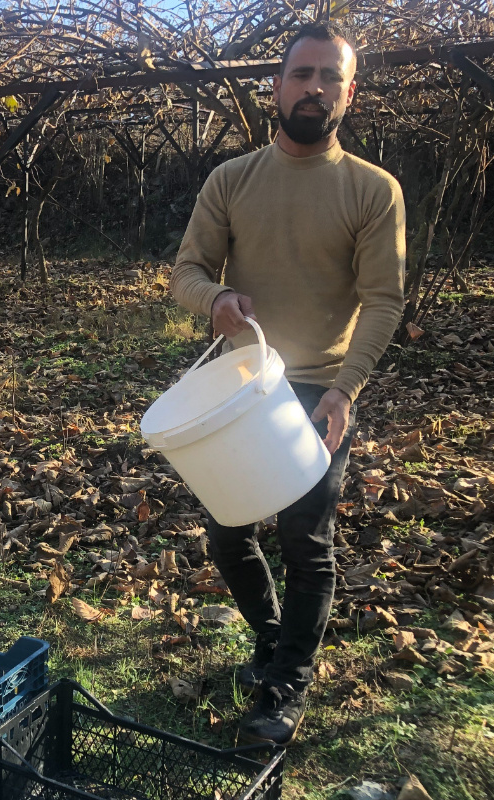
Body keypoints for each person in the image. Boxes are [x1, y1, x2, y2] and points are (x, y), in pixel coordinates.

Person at [170, 22, 405, 746]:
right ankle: (273, 641)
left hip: (318, 389)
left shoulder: (372, 190)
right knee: (228, 533)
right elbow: (186, 272)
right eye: (301, 74)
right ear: (276, 87)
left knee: (307, 540)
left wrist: (344, 391)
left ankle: (286, 683)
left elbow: (384, 299)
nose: (314, 88)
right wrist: (214, 301)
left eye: (330, 76)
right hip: (244, 384)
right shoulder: (231, 180)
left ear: (349, 91)